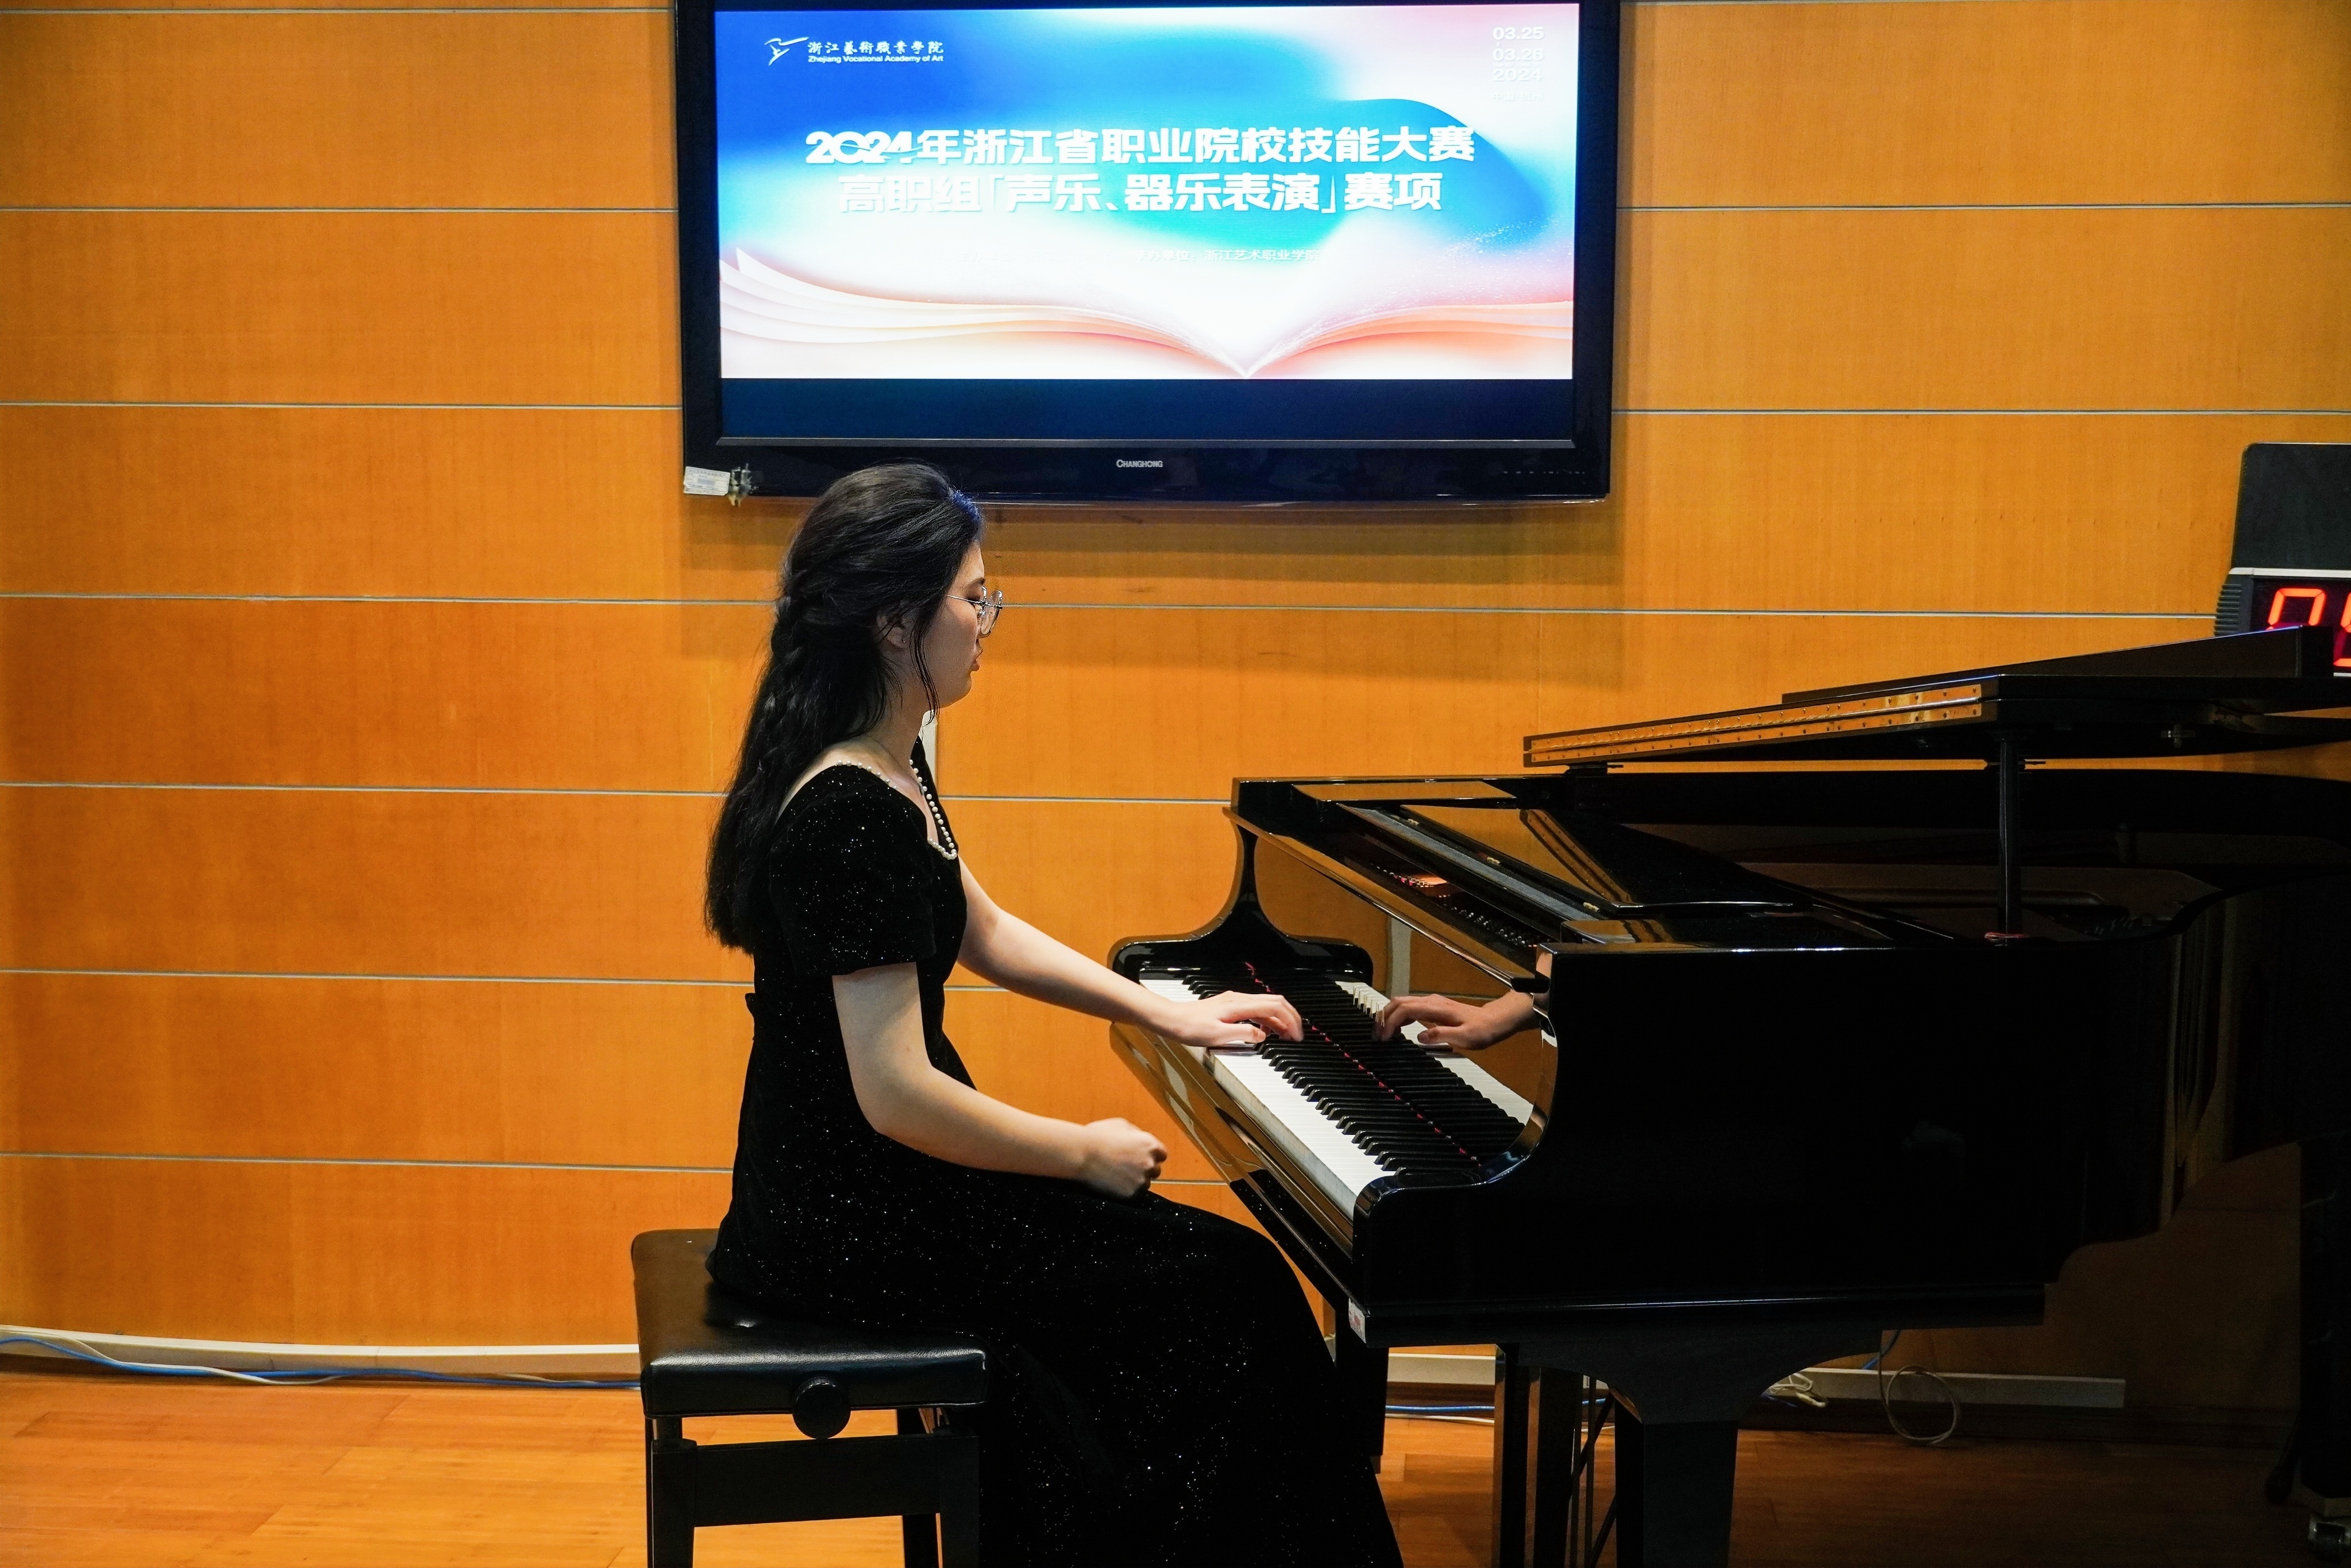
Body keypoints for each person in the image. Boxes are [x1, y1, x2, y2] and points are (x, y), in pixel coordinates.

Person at [702, 464, 1402, 1568]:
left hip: (880, 1184)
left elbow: (981, 926)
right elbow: (895, 1094)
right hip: (851, 1218)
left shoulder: (889, 760)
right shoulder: (846, 810)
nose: (987, 623)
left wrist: (1172, 1012)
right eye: (973, 597)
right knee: (1234, 1287)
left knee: (1213, 1289)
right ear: (895, 622)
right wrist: (1079, 1151)